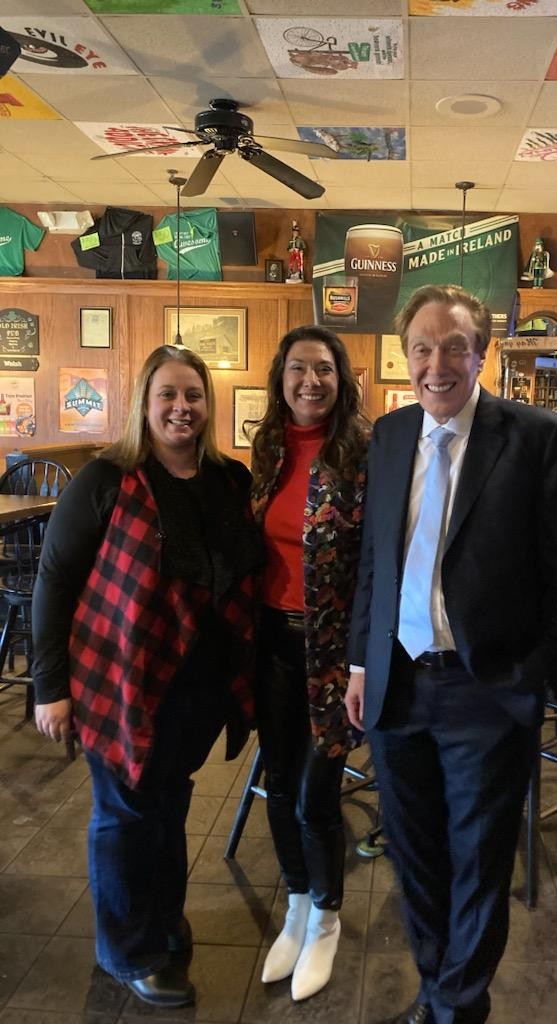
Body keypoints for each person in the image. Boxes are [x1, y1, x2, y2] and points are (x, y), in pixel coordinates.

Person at [345, 284, 557, 1024]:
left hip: (487, 690)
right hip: (398, 685)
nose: (437, 364)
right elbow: (375, 563)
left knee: (480, 863)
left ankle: (459, 1009)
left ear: (481, 353)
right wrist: (361, 662)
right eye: (422, 348)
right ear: (406, 356)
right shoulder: (390, 436)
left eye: (454, 347)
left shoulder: (539, 436)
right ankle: (436, 991)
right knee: (415, 857)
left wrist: (530, 680)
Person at [32, 346, 260, 1009]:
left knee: (168, 805)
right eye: (168, 394)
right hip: (119, 685)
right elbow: (54, 581)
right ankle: (129, 951)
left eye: (193, 395)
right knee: (125, 814)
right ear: (144, 402)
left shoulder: (228, 479)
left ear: (208, 404)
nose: (181, 407)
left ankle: (162, 923)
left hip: (197, 688)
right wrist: (50, 689)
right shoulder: (105, 478)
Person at [250, 325, 368, 1001]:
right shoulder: (268, 447)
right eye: (298, 368)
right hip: (271, 640)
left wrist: (365, 660)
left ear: (340, 378)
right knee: (277, 780)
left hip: (334, 649)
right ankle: (296, 904)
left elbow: (378, 563)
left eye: (323, 368)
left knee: (314, 794)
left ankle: (326, 918)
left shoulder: (363, 451)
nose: (310, 381)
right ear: (281, 377)